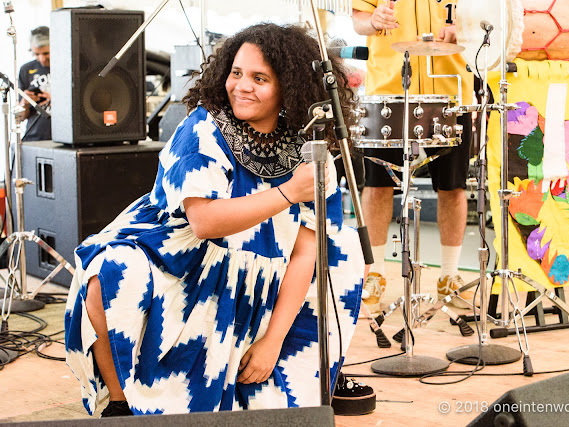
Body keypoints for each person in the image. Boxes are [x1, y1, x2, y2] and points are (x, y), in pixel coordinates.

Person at [64, 23, 368, 417]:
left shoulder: (310, 145)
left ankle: (319, 372)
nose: (241, 86)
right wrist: (288, 192)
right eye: (236, 73)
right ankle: (120, 407)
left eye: (259, 78)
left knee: (343, 255)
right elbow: (204, 222)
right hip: (178, 255)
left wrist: (273, 341)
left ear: (290, 88)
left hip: (258, 273)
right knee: (109, 272)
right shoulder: (204, 127)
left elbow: (306, 250)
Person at [351, 0, 475, 311]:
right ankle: (375, 272)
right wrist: (375, 19)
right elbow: (359, 22)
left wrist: (464, 29)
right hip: (388, 91)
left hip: (451, 90)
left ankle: (450, 275)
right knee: (377, 186)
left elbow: (487, 25)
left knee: (453, 187)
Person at [18, 26, 51, 141]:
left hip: (62, 137)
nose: (42, 59)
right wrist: (25, 103)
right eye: (37, 54)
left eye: (46, 53)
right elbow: (21, 117)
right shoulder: (26, 69)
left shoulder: (68, 66)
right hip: (34, 137)